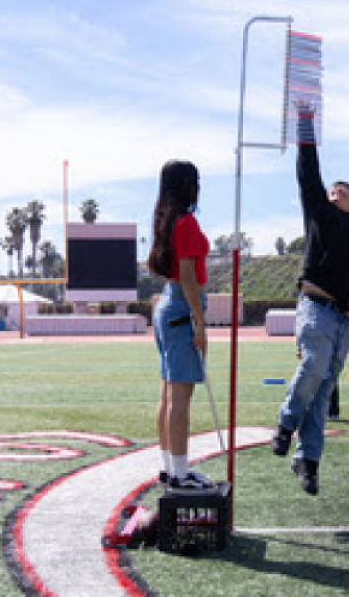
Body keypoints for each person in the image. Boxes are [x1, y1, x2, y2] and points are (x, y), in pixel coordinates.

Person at [271, 101, 349, 495]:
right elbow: (308, 170)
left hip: (344, 320)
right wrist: (305, 123)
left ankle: (308, 460)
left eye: (344, 190)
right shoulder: (319, 212)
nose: (336, 191)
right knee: (315, 364)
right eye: (333, 189)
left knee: (323, 389)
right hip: (315, 308)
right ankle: (286, 423)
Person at [148, 160, 215, 494]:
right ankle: (179, 472)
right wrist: (200, 323)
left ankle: (170, 465)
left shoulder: (166, 220)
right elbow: (187, 275)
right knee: (181, 395)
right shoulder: (186, 222)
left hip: (167, 304)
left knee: (168, 393)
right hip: (180, 308)